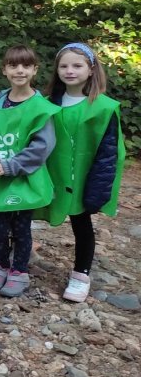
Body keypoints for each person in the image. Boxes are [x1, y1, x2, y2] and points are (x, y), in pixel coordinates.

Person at [39, 43, 124, 302]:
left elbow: (108, 153)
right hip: (50, 175)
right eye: (64, 66)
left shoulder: (103, 107)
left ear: (91, 70)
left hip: (82, 179)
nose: (70, 71)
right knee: (25, 214)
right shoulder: (45, 104)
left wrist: (98, 190)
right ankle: (17, 257)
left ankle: (81, 273)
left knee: (82, 224)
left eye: (77, 65)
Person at [0, 45, 59, 298]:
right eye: (13, 65)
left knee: (21, 228)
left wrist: (12, 165)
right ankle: (1, 264)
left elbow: (42, 146)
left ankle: (19, 270)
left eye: (25, 65)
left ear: (35, 69)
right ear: (4, 70)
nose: (19, 70)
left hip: (23, 177)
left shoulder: (40, 106)